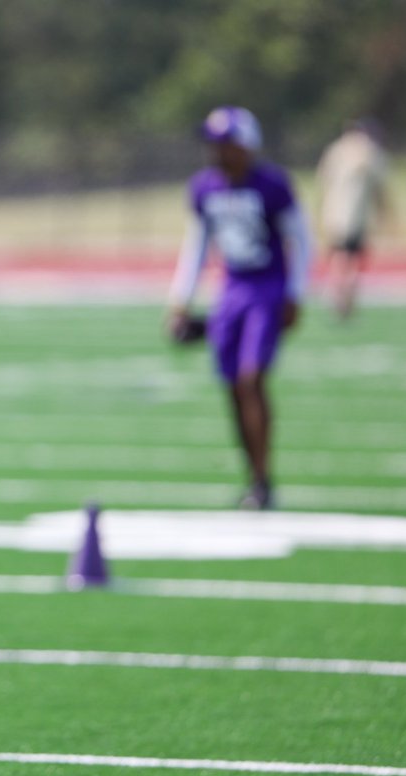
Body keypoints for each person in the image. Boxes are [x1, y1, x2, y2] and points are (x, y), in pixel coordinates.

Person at [167, 107, 313, 510]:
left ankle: (263, 479)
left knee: (251, 380)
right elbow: (196, 246)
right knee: (232, 386)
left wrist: (296, 293)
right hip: (229, 291)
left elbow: (302, 240)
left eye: (225, 143)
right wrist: (181, 299)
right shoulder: (204, 188)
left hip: (266, 289)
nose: (217, 151)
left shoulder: (271, 185)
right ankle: (254, 478)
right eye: (214, 143)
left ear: (246, 144)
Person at [315, 118, 391, 320]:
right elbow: (379, 187)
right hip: (356, 216)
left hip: (334, 214)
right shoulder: (370, 152)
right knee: (353, 260)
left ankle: (337, 298)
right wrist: (385, 213)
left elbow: (322, 181)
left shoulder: (334, 150)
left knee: (338, 257)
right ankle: (346, 302)